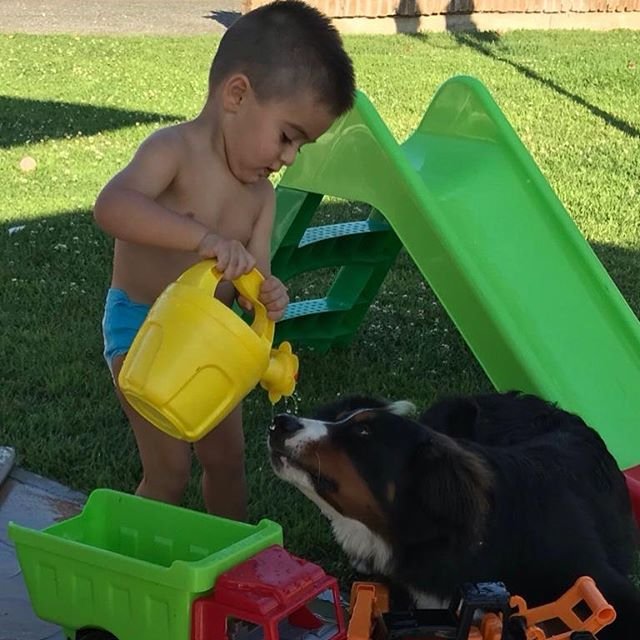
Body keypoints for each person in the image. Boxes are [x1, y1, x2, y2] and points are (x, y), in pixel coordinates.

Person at [93, 0, 355, 521]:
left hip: (211, 340)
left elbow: (248, 281)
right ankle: (125, 559)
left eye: (300, 147)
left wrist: (267, 291)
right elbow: (113, 207)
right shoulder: (172, 151)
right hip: (145, 332)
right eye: (287, 136)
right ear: (237, 95)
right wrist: (200, 237)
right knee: (169, 474)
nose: (287, 158)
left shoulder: (260, 197)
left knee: (228, 460)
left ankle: (230, 558)